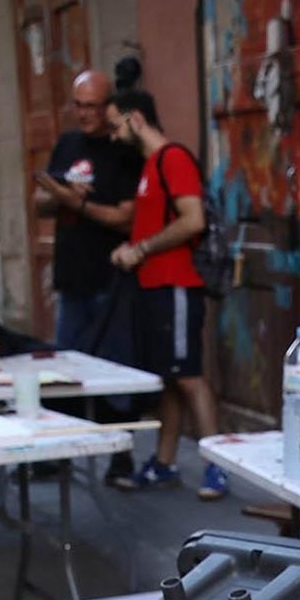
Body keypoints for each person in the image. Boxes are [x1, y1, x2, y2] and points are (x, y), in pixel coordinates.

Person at [104, 88, 227, 500]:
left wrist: (140, 249)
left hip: (176, 284)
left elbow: (192, 220)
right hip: (154, 286)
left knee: (189, 376)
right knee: (170, 379)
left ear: (135, 119)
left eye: (116, 126)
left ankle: (217, 467)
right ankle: (164, 462)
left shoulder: (172, 158)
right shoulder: (150, 165)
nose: (113, 137)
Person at [34, 69, 141, 479]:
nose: (84, 114)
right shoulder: (67, 144)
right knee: (63, 369)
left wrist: (76, 203)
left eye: (92, 105)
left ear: (108, 104)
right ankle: (57, 453)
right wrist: (55, 198)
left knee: (113, 371)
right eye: (78, 105)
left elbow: (128, 220)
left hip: (109, 277)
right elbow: (42, 202)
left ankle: (120, 455)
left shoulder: (121, 150)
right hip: (72, 273)